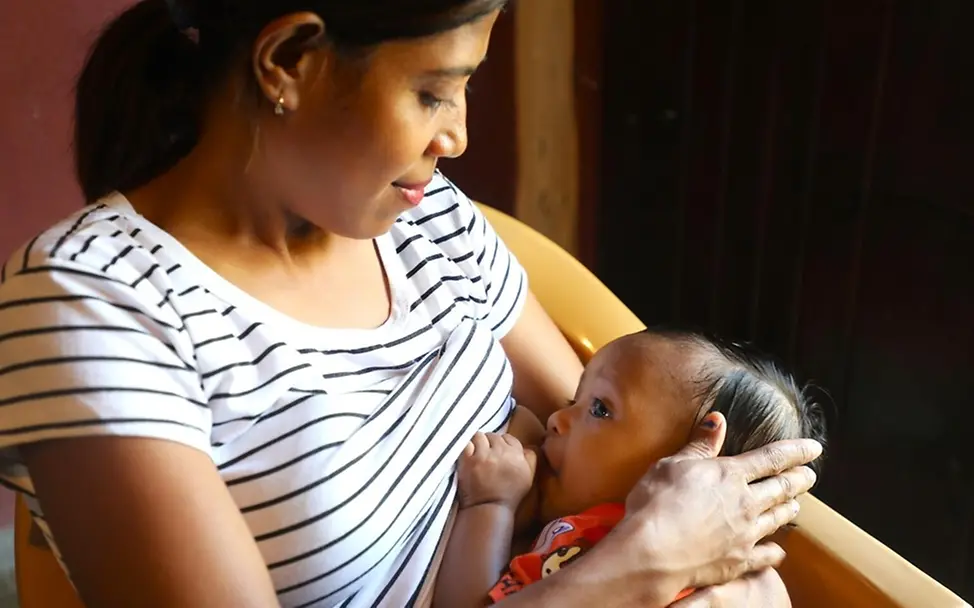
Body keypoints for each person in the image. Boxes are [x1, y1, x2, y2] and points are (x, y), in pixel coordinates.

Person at [0, 1, 822, 606]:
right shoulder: (93, 304)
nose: (455, 134)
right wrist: (642, 567)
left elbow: (612, 438)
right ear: (288, 59)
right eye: (433, 92)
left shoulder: (427, 219)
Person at [434, 328, 828, 607]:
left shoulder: (584, 548)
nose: (556, 418)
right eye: (578, 397)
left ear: (691, 475)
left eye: (600, 408)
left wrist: (489, 505)